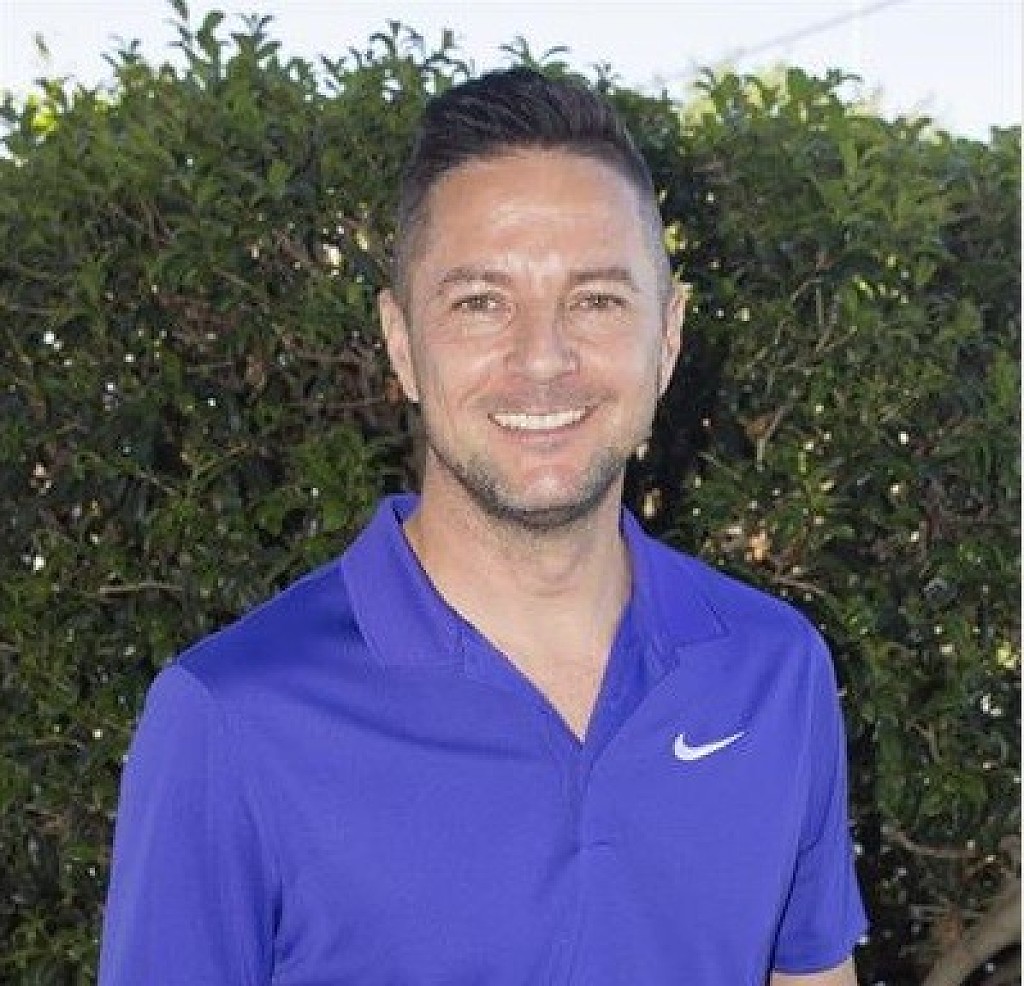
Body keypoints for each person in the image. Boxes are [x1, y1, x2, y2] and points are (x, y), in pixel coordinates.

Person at [99, 67, 867, 984]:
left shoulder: (772, 670)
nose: (542, 359)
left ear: (667, 338)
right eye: (480, 302)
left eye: (596, 299)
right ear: (401, 344)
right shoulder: (231, 717)